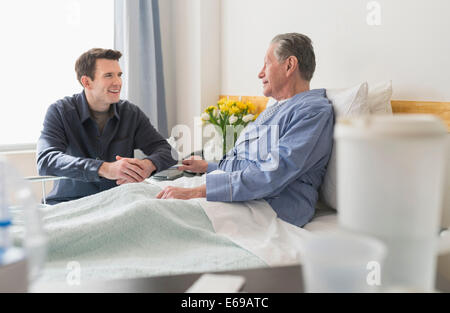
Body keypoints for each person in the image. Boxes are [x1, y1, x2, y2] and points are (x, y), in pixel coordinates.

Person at [156, 33, 334, 228]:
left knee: (155, 216)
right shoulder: (275, 109)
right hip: (246, 196)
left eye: (266, 64)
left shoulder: (312, 111)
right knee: (138, 196)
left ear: (290, 65)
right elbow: (249, 164)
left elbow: (271, 172)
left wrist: (197, 191)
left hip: (272, 205)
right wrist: (209, 167)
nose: (260, 73)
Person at [37, 48, 177, 204]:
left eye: (119, 75)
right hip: (69, 203)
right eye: (108, 75)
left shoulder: (131, 113)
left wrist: (148, 165)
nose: (117, 82)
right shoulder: (60, 111)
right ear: (86, 82)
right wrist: (104, 168)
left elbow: (168, 151)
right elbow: (46, 160)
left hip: (117, 204)